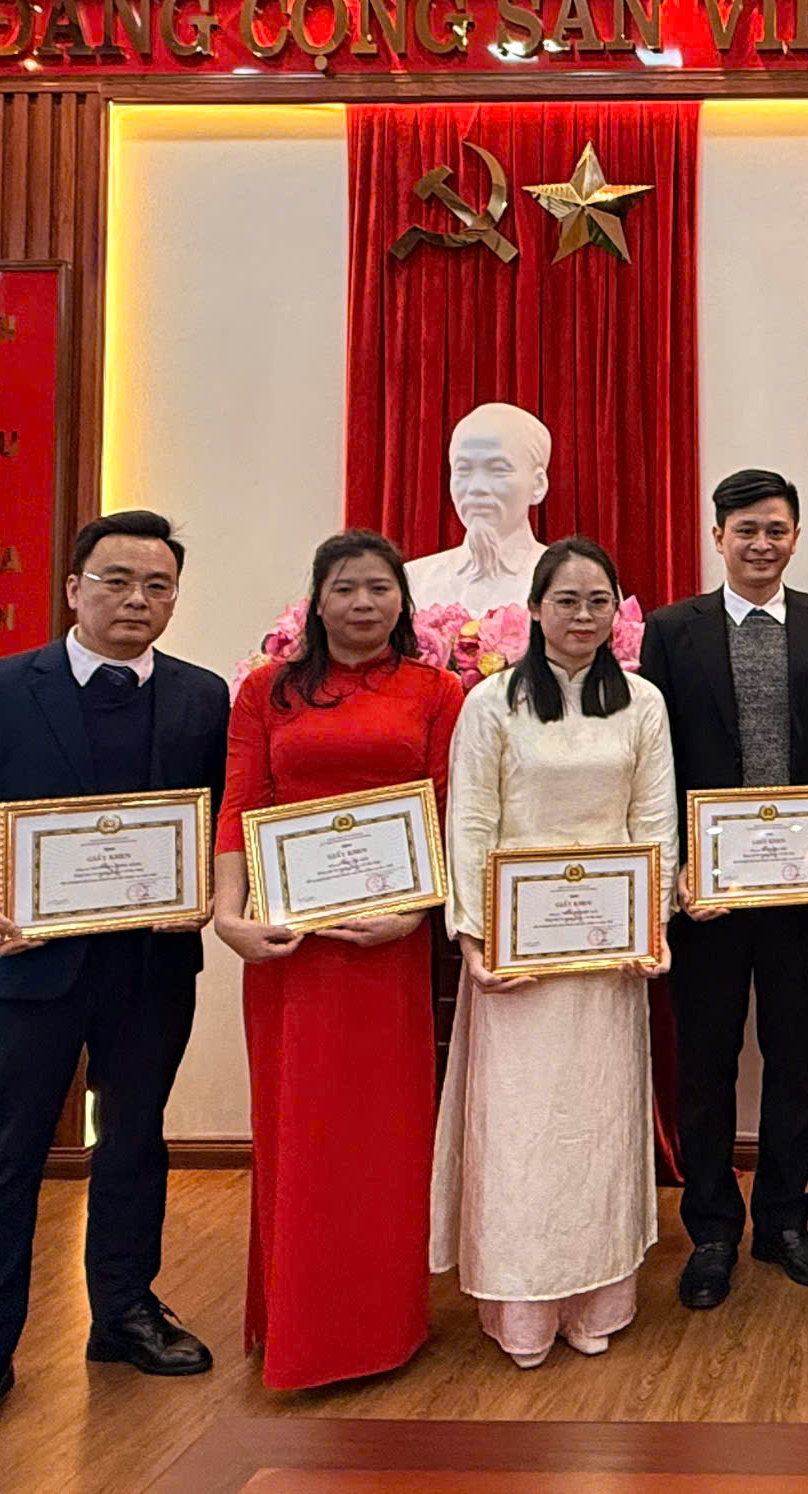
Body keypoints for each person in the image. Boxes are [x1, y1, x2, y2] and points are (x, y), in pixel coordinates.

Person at [0, 511, 229, 1461]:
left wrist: (208, 893)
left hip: (149, 968)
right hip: (22, 968)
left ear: (175, 598)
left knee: (135, 1143)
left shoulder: (203, 695)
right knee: (4, 1159)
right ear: (74, 588)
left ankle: (123, 1312)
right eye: (117, 581)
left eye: (158, 586)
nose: (137, 600)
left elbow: (221, 820)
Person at [212, 530, 466, 1389]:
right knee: (299, 1134)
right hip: (289, 950)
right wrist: (228, 917)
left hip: (387, 948)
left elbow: (447, 811)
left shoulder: (437, 690)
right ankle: (299, 1328)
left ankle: (381, 1328)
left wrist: (416, 913)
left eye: (379, 588)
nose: (363, 603)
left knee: (382, 1140)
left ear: (403, 602)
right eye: (346, 588)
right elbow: (239, 805)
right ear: (317, 601)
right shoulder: (266, 691)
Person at [431, 539, 677, 1366]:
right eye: (566, 600)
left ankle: (598, 1296)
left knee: (598, 1126)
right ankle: (523, 1308)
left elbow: (654, 822)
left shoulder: (642, 703)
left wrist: (651, 927)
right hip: (518, 959)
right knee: (523, 1131)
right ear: (534, 610)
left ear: (617, 613)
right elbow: (470, 821)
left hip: (608, 956)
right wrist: (475, 938)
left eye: (598, 601)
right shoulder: (491, 704)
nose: (582, 616)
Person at [638, 469, 808, 1309]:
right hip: (707, 895)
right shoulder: (672, 631)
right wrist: (674, 870)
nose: (761, 544)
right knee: (705, 1064)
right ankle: (712, 1230)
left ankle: (783, 1221)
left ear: (796, 537)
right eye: (746, 530)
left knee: (794, 1060)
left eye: (776, 529)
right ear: (718, 538)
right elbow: (655, 762)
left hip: (804, 893)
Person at [404, 401, 552, 615]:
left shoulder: (566, 582)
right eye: (463, 470)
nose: (476, 487)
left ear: (538, 485)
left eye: (498, 469)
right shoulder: (415, 581)